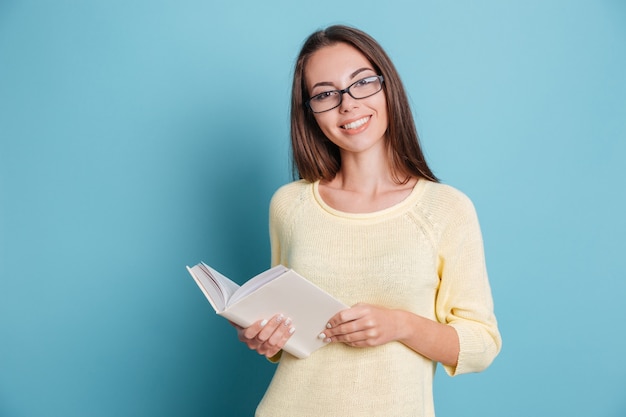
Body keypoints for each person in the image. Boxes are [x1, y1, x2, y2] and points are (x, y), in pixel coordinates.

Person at [232, 24, 501, 417]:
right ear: (310, 113)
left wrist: (401, 325)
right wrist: (266, 338)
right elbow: (286, 326)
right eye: (325, 94)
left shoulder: (446, 209)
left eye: (362, 83)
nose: (347, 104)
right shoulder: (289, 206)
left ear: (388, 87)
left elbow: (482, 345)